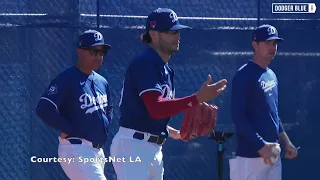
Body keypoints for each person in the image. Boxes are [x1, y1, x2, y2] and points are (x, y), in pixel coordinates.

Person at [110, 8, 227, 180]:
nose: (177, 36)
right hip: (133, 147)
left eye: (177, 31)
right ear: (154, 35)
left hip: (152, 148)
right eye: (170, 32)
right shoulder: (145, 63)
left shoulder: (166, 69)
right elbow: (156, 108)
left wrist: (176, 134)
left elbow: (151, 115)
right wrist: (196, 99)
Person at [36, 29, 113, 180]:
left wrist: (102, 125)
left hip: (97, 152)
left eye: (102, 52)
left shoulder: (102, 81)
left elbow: (109, 109)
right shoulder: (67, 78)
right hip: (76, 148)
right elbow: (44, 108)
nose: (99, 56)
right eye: (94, 51)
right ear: (80, 51)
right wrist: (69, 128)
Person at [229, 24, 298, 180]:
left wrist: (286, 142)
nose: (273, 47)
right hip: (250, 158)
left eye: (275, 43)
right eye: (267, 42)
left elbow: (273, 114)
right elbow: (238, 116)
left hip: (273, 154)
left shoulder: (272, 75)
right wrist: (261, 145)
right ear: (255, 45)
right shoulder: (243, 75)